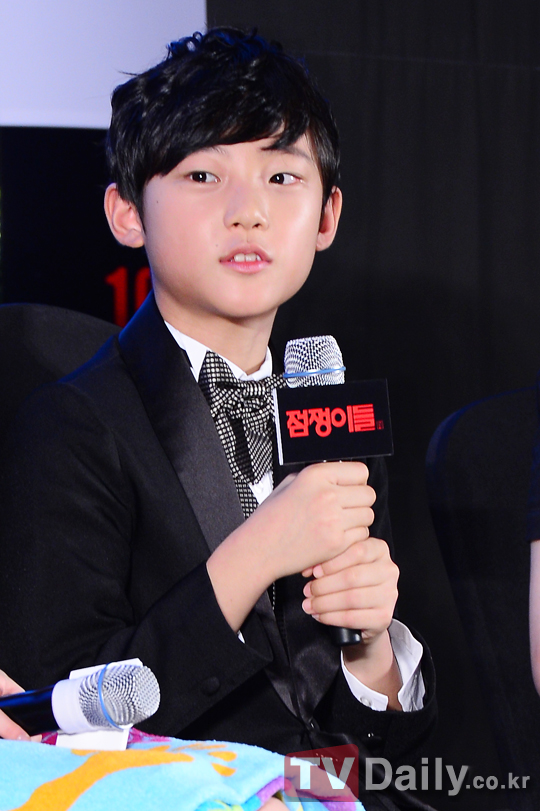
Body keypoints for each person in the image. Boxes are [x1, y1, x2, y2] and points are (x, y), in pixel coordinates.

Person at [0, 28, 435, 809]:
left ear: (327, 216)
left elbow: (386, 749)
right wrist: (255, 554)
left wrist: (372, 651)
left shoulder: (334, 411)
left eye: (281, 176)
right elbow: (52, 719)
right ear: (127, 212)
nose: (249, 212)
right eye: (203, 174)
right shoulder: (71, 423)